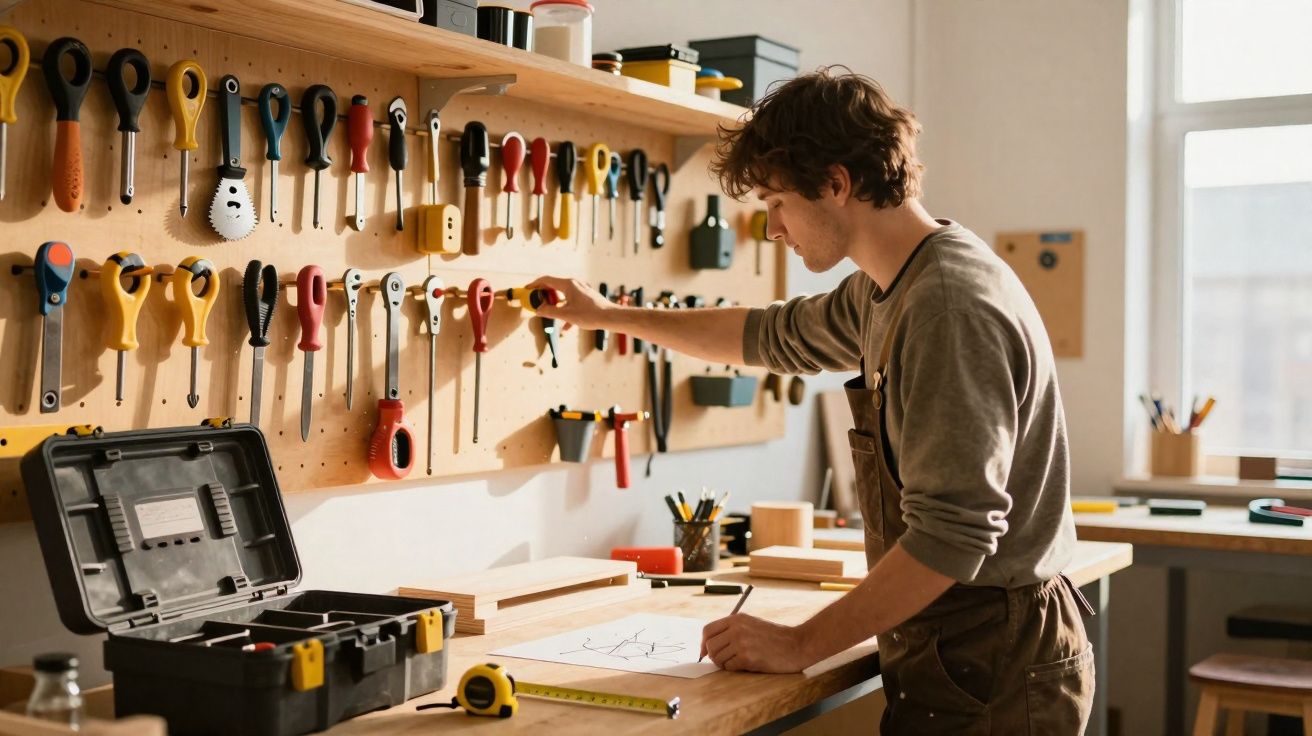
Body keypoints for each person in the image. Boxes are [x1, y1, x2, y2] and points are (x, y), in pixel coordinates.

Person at [527, 67, 1094, 734]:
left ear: (836, 183)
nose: (772, 229)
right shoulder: (889, 286)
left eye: (776, 202)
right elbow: (767, 336)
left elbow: (952, 535)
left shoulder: (946, 305)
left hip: (993, 658)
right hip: (957, 643)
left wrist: (799, 644)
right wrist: (608, 316)